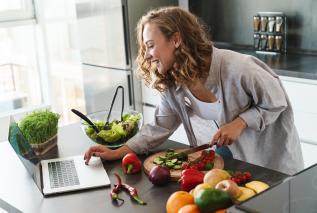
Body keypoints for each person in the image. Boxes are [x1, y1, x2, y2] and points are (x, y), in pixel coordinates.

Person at [84, 6, 304, 175]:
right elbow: (159, 127)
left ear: (176, 39)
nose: (147, 55)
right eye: (145, 48)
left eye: (150, 45)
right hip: (231, 170)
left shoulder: (240, 68)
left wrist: (240, 122)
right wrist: (118, 152)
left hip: (274, 171)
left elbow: (276, 102)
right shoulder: (174, 82)